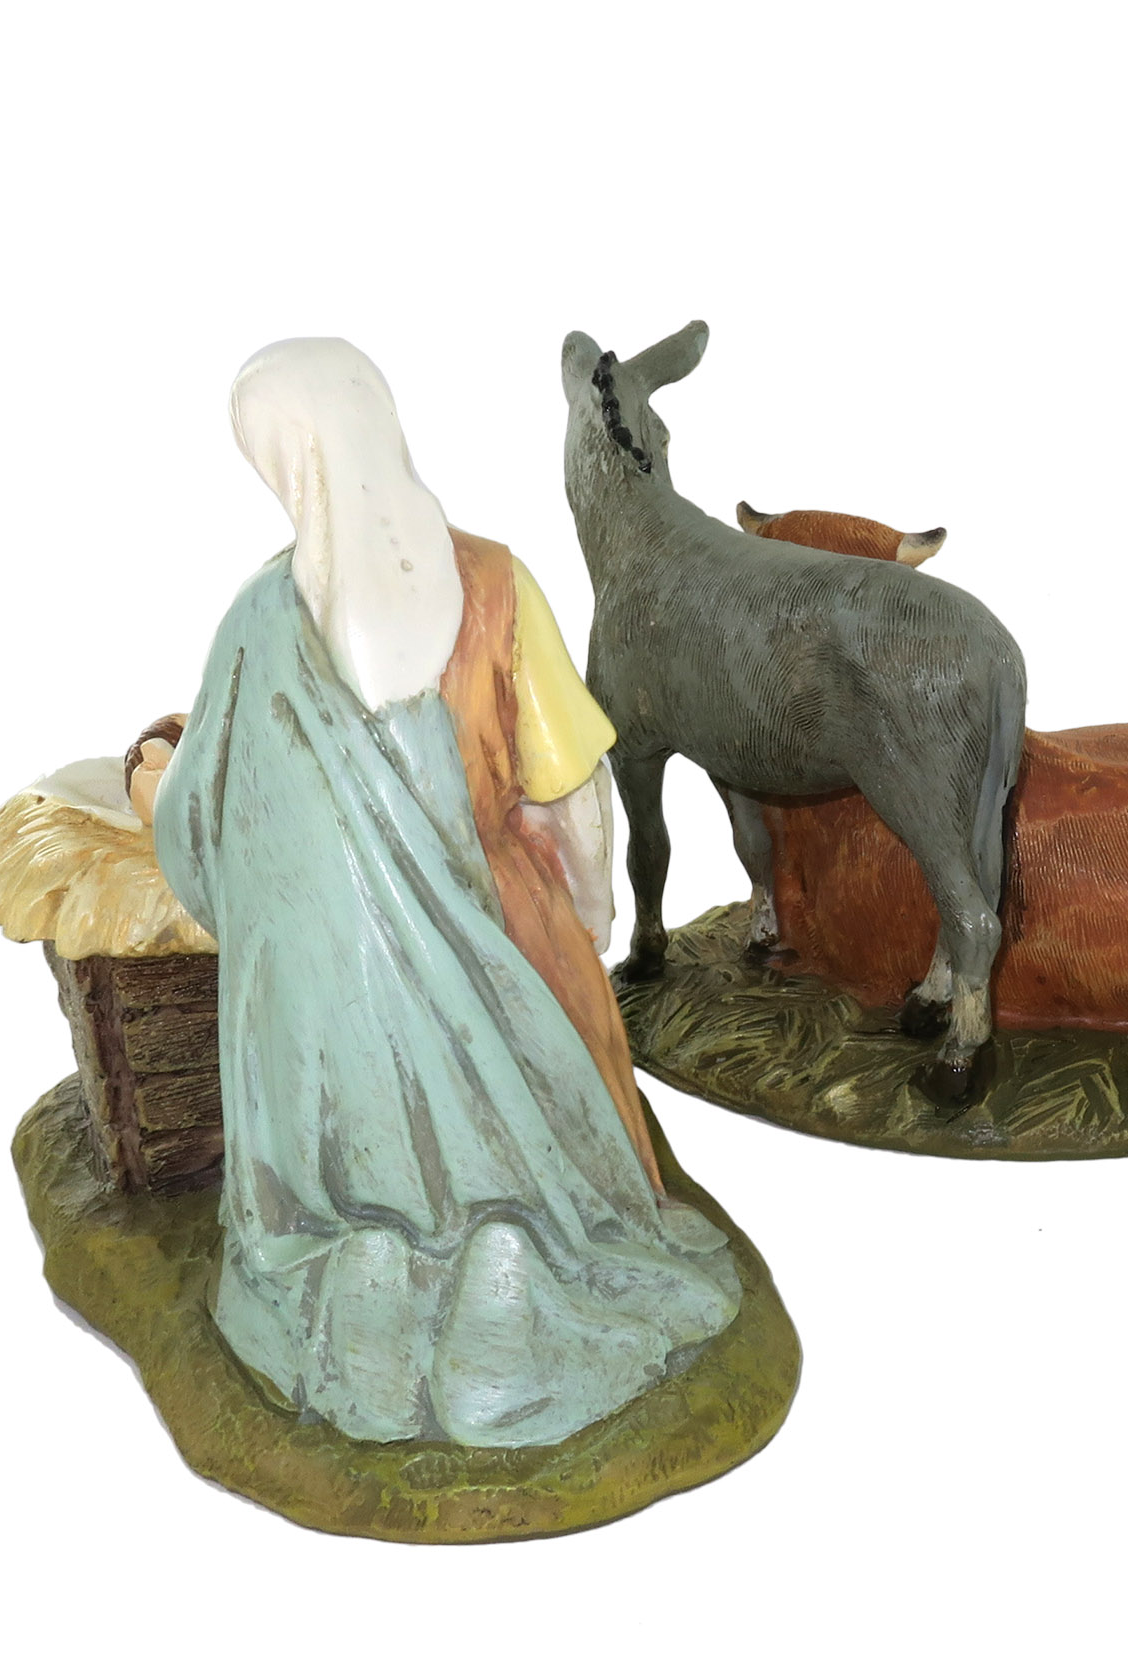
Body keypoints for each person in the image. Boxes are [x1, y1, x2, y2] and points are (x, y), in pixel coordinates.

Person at [153, 338, 739, 1447]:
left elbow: (195, 833)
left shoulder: (255, 623)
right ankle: (504, 1235)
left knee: (347, 1187)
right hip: (507, 965)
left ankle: (366, 1245)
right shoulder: (496, 586)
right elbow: (572, 794)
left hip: (310, 1058)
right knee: (561, 1083)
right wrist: (594, 912)